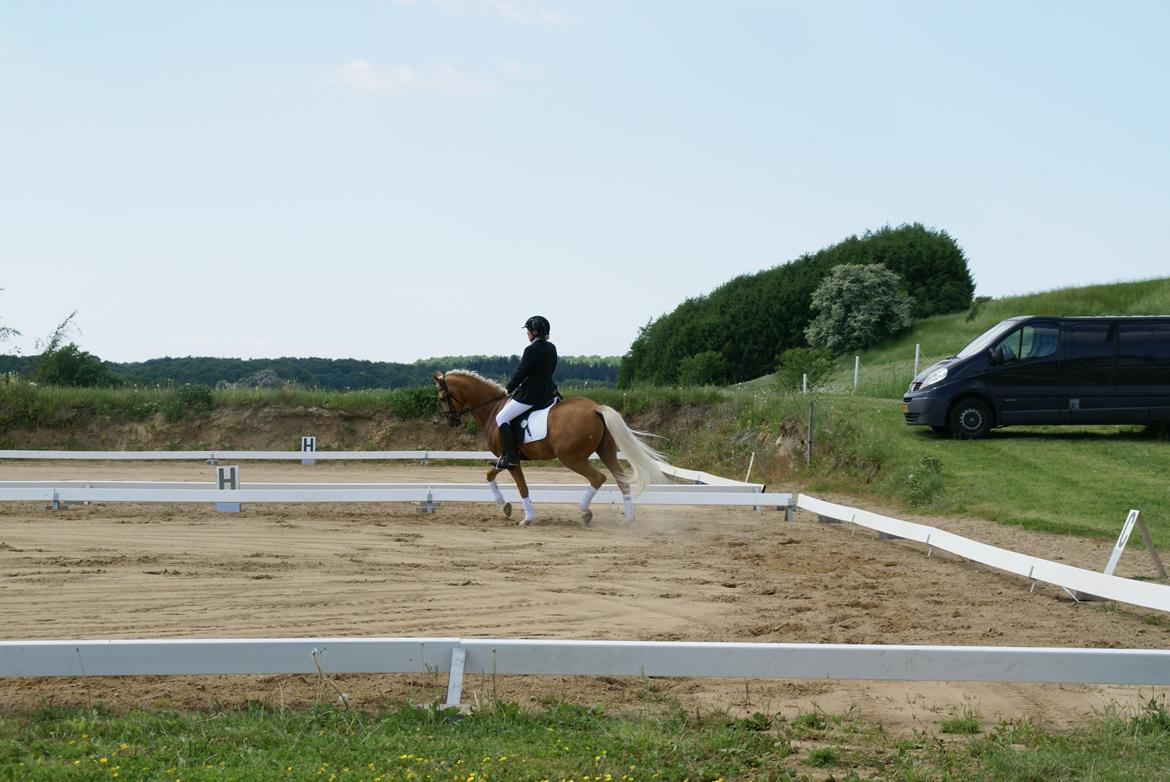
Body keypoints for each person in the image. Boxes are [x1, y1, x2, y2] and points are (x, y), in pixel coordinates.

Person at [494, 315, 559, 469]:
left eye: (528, 330)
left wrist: (508, 389)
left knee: (502, 417)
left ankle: (511, 457)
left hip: (531, 394)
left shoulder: (531, 349)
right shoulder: (552, 347)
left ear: (534, 332)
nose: (527, 333)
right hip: (549, 392)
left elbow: (521, 373)